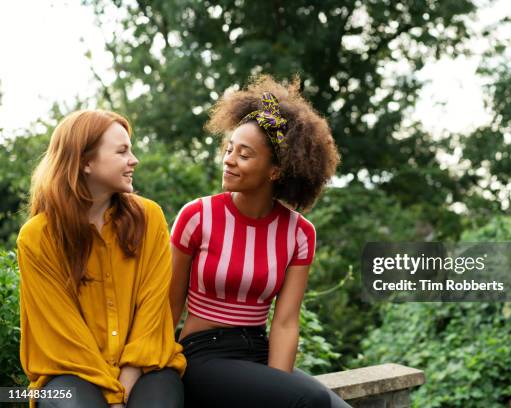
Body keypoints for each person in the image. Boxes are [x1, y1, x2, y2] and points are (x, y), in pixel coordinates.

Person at [169, 75, 351, 408]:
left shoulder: (299, 233)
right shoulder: (197, 216)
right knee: (309, 400)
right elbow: (168, 306)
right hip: (202, 354)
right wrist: (153, 374)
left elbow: (284, 321)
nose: (229, 159)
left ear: (275, 171)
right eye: (229, 149)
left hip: (257, 351)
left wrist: (277, 389)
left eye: (244, 154)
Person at [17, 110, 186, 407]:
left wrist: (124, 385)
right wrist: (112, 396)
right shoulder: (37, 238)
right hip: (70, 372)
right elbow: (63, 335)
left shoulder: (150, 219)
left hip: (145, 368)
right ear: (84, 161)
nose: (134, 160)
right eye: (122, 151)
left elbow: (152, 310)